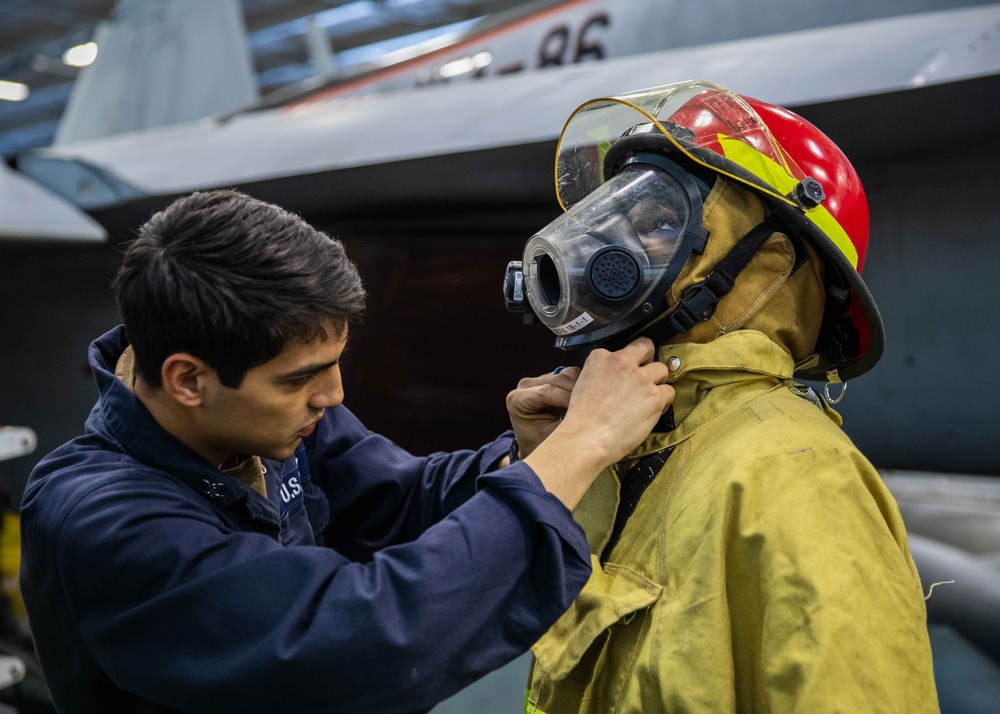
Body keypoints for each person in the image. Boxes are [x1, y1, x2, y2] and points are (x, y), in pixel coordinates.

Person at [18, 189, 675, 713]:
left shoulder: (262, 424)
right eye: (301, 377)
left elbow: (399, 500)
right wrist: (582, 448)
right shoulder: (104, 521)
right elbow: (362, 638)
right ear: (188, 380)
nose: (332, 395)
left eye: (332, 364)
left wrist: (523, 457)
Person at [506, 80, 939, 713]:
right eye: (617, 215)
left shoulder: (794, 474)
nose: (610, 247)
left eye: (657, 221)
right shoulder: (630, 445)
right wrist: (552, 472)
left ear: (766, 267)